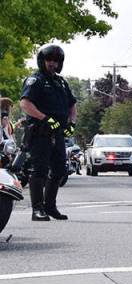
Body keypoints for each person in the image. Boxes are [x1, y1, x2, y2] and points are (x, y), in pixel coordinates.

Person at [19, 45, 76, 221]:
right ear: (42, 61)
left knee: (60, 170)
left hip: (58, 133)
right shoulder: (35, 80)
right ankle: (37, 209)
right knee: (39, 171)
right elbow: (25, 103)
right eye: (49, 60)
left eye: (56, 61)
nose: (52, 64)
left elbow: (72, 105)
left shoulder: (61, 82)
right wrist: (44, 118)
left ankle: (50, 206)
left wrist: (71, 124)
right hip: (39, 133)